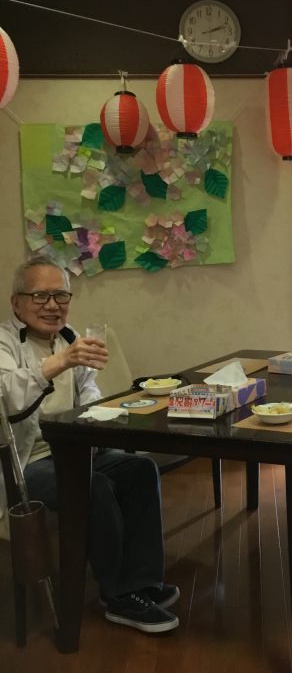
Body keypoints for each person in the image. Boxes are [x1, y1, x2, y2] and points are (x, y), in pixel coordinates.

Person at [0, 256, 179, 634]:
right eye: (40, 296)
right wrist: (60, 362)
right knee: (92, 485)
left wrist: (98, 421)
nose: (53, 305)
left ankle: (141, 582)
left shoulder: (69, 336)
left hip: (74, 449)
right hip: (24, 463)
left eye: (61, 295)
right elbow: (7, 397)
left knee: (140, 469)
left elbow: (89, 393)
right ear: (16, 303)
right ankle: (117, 596)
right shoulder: (4, 341)